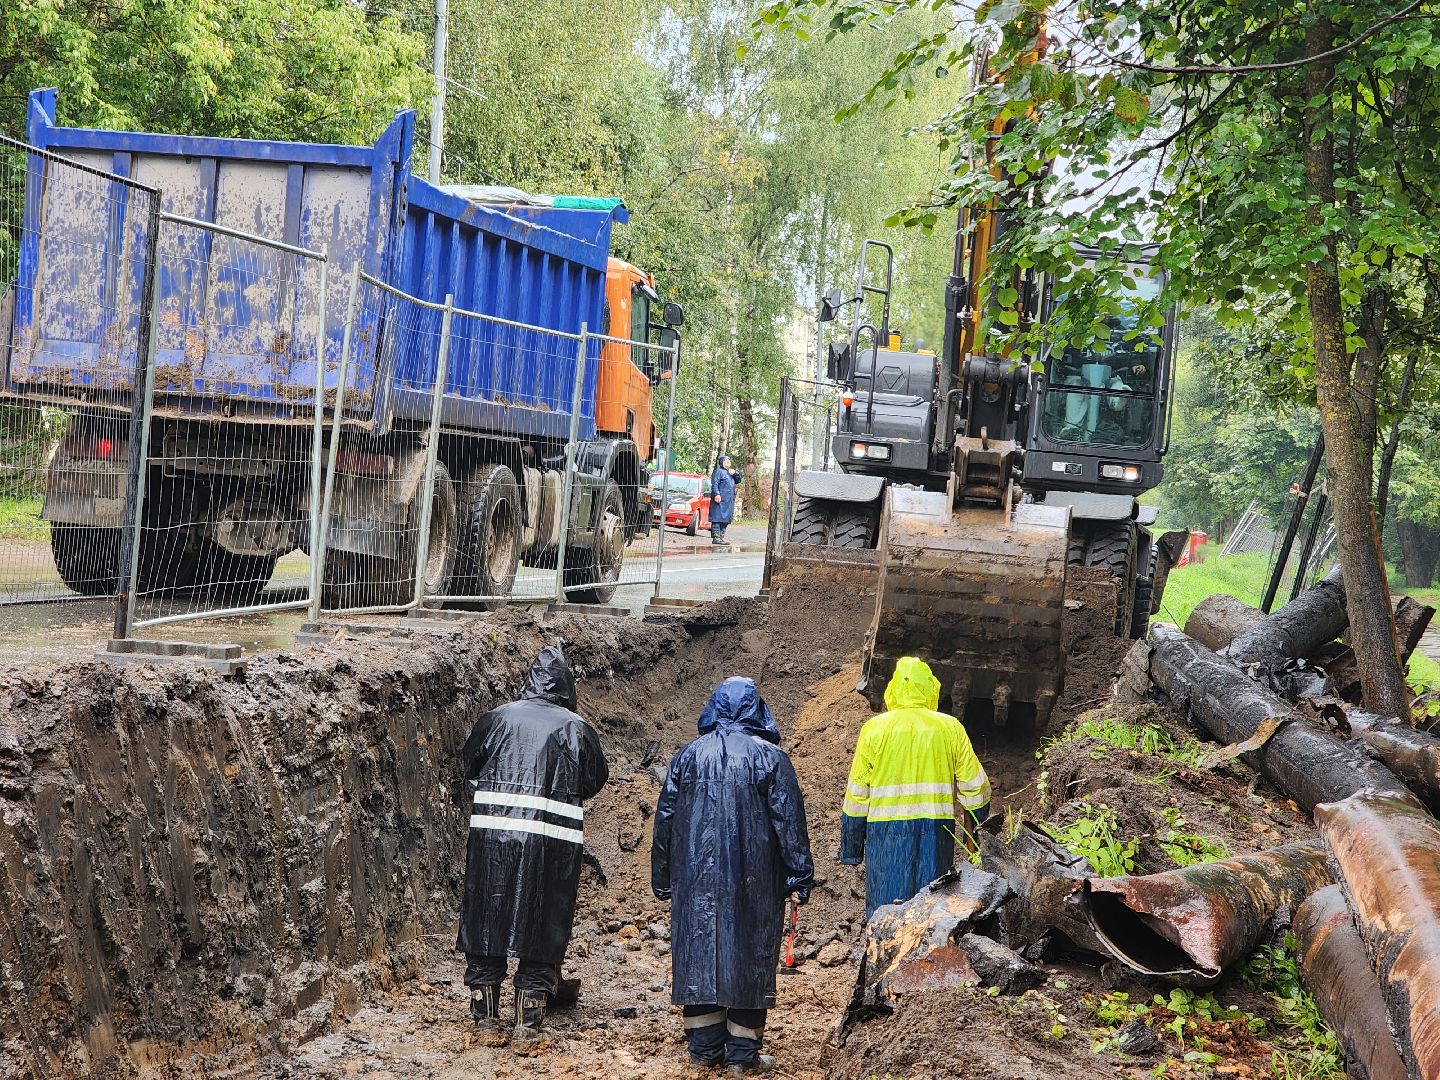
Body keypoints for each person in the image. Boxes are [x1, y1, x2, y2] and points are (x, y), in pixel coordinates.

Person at [652, 677, 813, 1076]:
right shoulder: (771, 758)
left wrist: (663, 876)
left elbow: (665, 822)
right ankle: (742, 1056)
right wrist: (799, 875)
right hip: (755, 879)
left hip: (696, 879)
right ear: (758, 710)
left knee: (700, 953)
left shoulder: (686, 758)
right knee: (750, 955)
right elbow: (789, 823)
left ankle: (705, 1049)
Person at [457, 645, 609, 1045]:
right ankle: (529, 1023)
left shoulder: (497, 719)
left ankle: (484, 1019)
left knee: (486, 918)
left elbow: (469, 763)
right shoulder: (576, 729)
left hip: (493, 840)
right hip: (552, 844)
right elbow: (594, 780)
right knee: (545, 923)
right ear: (566, 687)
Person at [839, 656, 991, 920]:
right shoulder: (950, 728)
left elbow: (857, 796)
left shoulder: (873, 730)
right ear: (932, 688)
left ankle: (884, 957)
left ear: (893, 689)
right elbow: (976, 792)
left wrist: (852, 849)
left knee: (886, 915)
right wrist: (974, 845)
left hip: (885, 836)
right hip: (936, 833)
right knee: (930, 915)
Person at [710, 454, 736, 545]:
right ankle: (716, 538)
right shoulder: (718, 471)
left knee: (725, 520)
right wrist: (716, 494)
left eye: (729, 461)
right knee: (717, 518)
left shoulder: (731, 473)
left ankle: (721, 537)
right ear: (722, 462)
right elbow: (715, 483)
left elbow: (738, 480)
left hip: (728, 501)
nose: (728, 463)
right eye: (726, 461)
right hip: (720, 500)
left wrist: (735, 473)